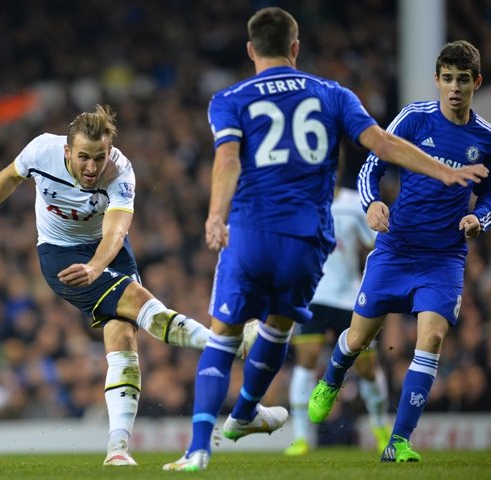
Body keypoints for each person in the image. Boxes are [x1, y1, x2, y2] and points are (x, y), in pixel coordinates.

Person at [163, 9, 487, 472]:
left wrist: (216, 214)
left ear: (251, 50)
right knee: (286, 333)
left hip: (254, 231)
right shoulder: (332, 93)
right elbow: (379, 146)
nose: (455, 87)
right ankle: (247, 412)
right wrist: (438, 173)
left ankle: (200, 448)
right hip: (308, 242)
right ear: (295, 48)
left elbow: (228, 161)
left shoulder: (229, 98)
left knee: (225, 339)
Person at [0, 104, 253, 467]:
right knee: (140, 302)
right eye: (83, 158)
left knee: (123, 337)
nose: (92, 167)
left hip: (107, 251)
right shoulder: (41, 149)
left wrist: (96, 266)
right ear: (66, 151)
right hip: (60, 254)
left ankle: (118, 449)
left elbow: (117, 230)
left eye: (99, 157)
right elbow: (9, 177)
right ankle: (229, 345)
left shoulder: (121, 170)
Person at [308, 40, 491, 463]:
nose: (455, 88)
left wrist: (479, 219)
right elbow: (373, 165)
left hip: (444, 259)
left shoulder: (484, 139)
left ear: (476, 83)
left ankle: (399, 441)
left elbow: (489, 197)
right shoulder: (414, 118)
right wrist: (372, 202)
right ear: (437, 80)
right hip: (396, 250)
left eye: (464, 80)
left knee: (432, 338)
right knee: (357, 338)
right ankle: (333, 376)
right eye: (448, 79)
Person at [285, 184, 390, 456]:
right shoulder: (299, 202)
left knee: (367, 368)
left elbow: (375, 243)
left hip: (350, 298)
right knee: (305, 360)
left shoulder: (355, 203)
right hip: (314, 295)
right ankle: (301, 437)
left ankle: (381, 426)